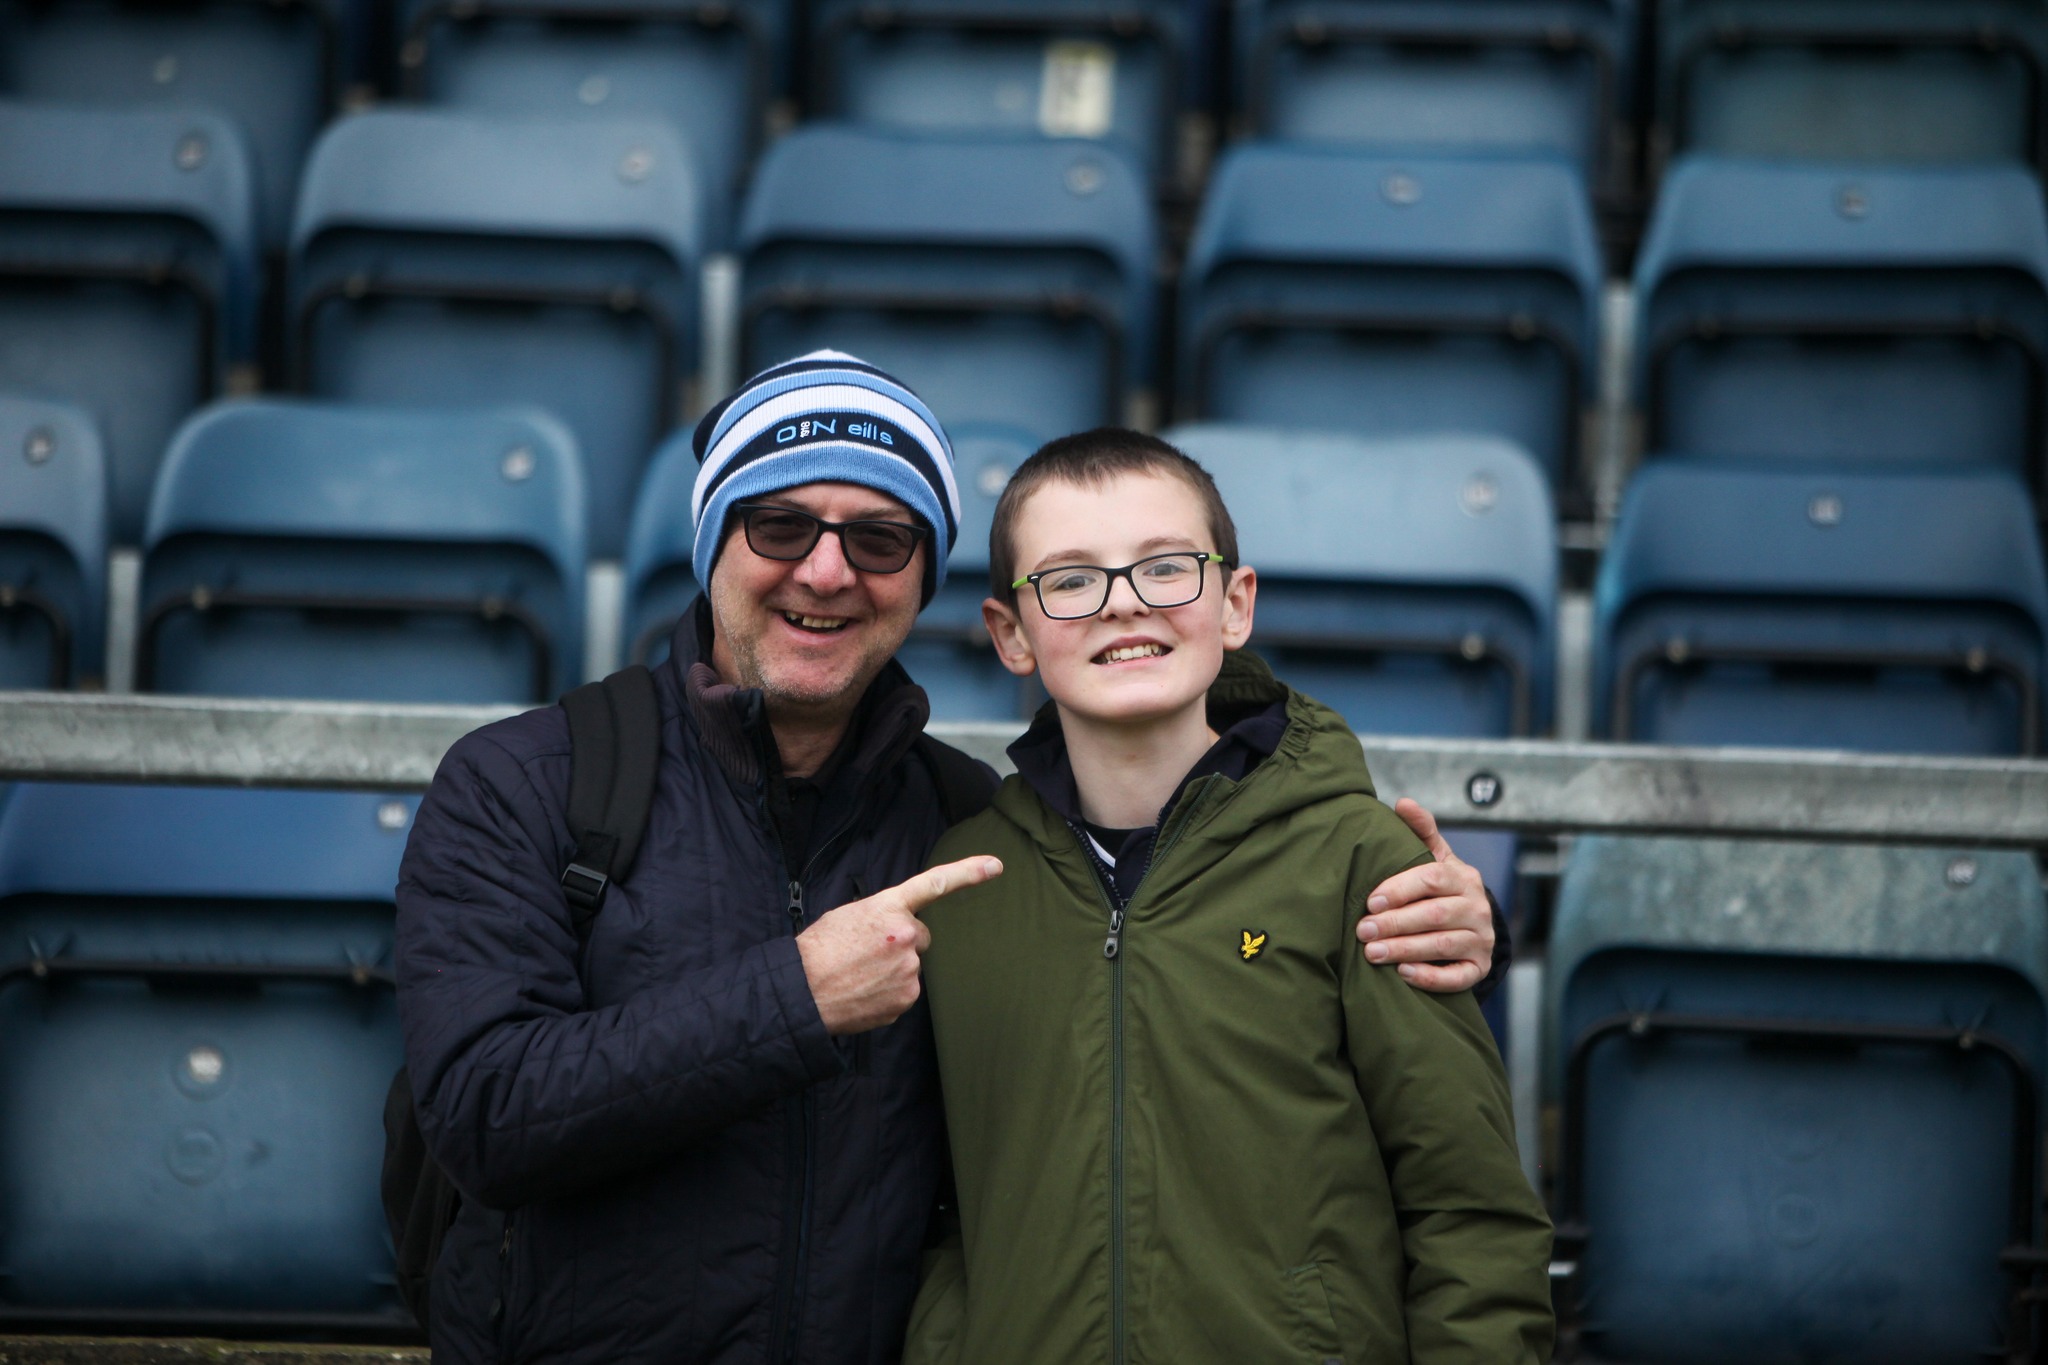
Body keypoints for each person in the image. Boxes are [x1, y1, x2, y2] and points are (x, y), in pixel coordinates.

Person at [394, 353, 1508, 1365]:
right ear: (711, 547)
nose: (826, 570)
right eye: (778, 526)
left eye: (880, 539)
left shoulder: (972, 831)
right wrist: (795, 994)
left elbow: (1463, 1210)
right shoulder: (530, 782)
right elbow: (482, 1113)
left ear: (922, 579)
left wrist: (1451, 916)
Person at [905, 429, 1554, 1365]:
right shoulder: (963, 886)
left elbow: (1471, 1213)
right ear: (1011, 632)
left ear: (1235, 602)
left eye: (1166, 567)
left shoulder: (1360, 866)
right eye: (1071, 579)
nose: (1124, 602)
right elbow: (937, 1213)